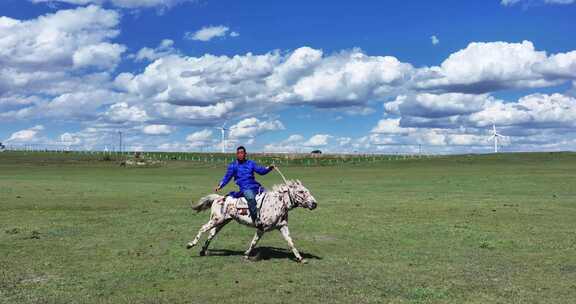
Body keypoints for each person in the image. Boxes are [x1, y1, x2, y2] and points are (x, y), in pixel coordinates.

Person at [215, 146, 275, 227]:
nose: (240, 154)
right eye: (238, 153)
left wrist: (269, 168)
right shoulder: (233, 166)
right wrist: (220, 185)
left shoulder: (251, 163)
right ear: (236, 154)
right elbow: (227, 177)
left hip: (255, 186)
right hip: (245, 188)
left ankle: (270, 216)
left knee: (269, 196)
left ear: (245, 154)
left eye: (242, 153)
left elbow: (261, 171)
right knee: (250, 198)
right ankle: (255, 220)